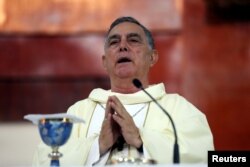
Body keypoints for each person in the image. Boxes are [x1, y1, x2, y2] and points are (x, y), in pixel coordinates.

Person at [33, 16, 214, 166]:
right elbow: (45, 160)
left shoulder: (177, 110)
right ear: (104, 61)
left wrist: (140, 139)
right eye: (114, 42)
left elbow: (201, 158)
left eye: (133, 40)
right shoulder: (79, 112)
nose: (123, 46)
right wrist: (98, 145)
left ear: (152, 57)